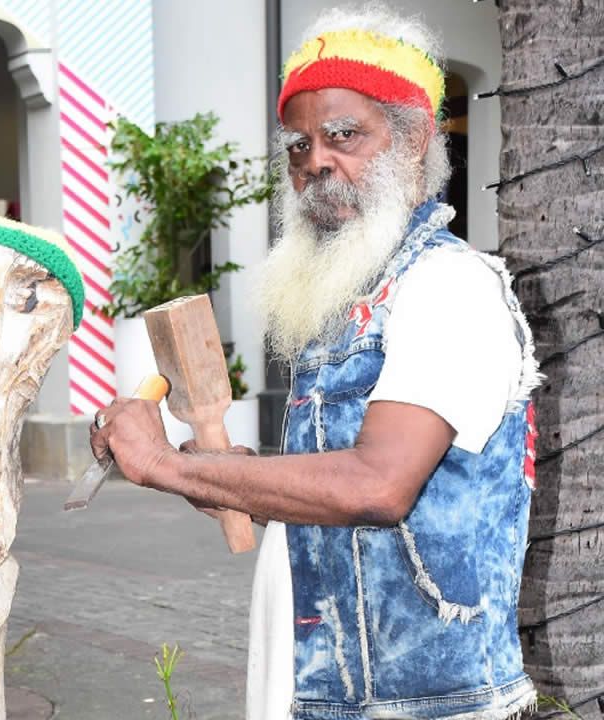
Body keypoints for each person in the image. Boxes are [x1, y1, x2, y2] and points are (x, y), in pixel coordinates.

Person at [89, 5, 542, 719]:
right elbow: (336, 495)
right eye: (299, 146)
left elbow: (377, 485)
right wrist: (223, 474)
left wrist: (166, 465)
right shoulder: (355, 300)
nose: (316, 163)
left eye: (344, 135)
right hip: (327, 687)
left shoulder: (448, 286)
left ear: (414, 140)